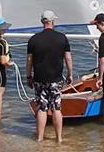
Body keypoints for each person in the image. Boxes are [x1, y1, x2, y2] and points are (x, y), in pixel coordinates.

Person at [26, 10, 72, 142]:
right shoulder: (62, 38)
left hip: (40, 79)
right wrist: (70, 74)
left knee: (41, 108)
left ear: (42, 22)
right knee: (56, 108)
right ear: (53, 21)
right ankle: (59, 138)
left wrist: (29, 76)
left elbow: (29, 60)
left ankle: (40, 138)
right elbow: (68, 58)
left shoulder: (34, 39)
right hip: (56, 79)